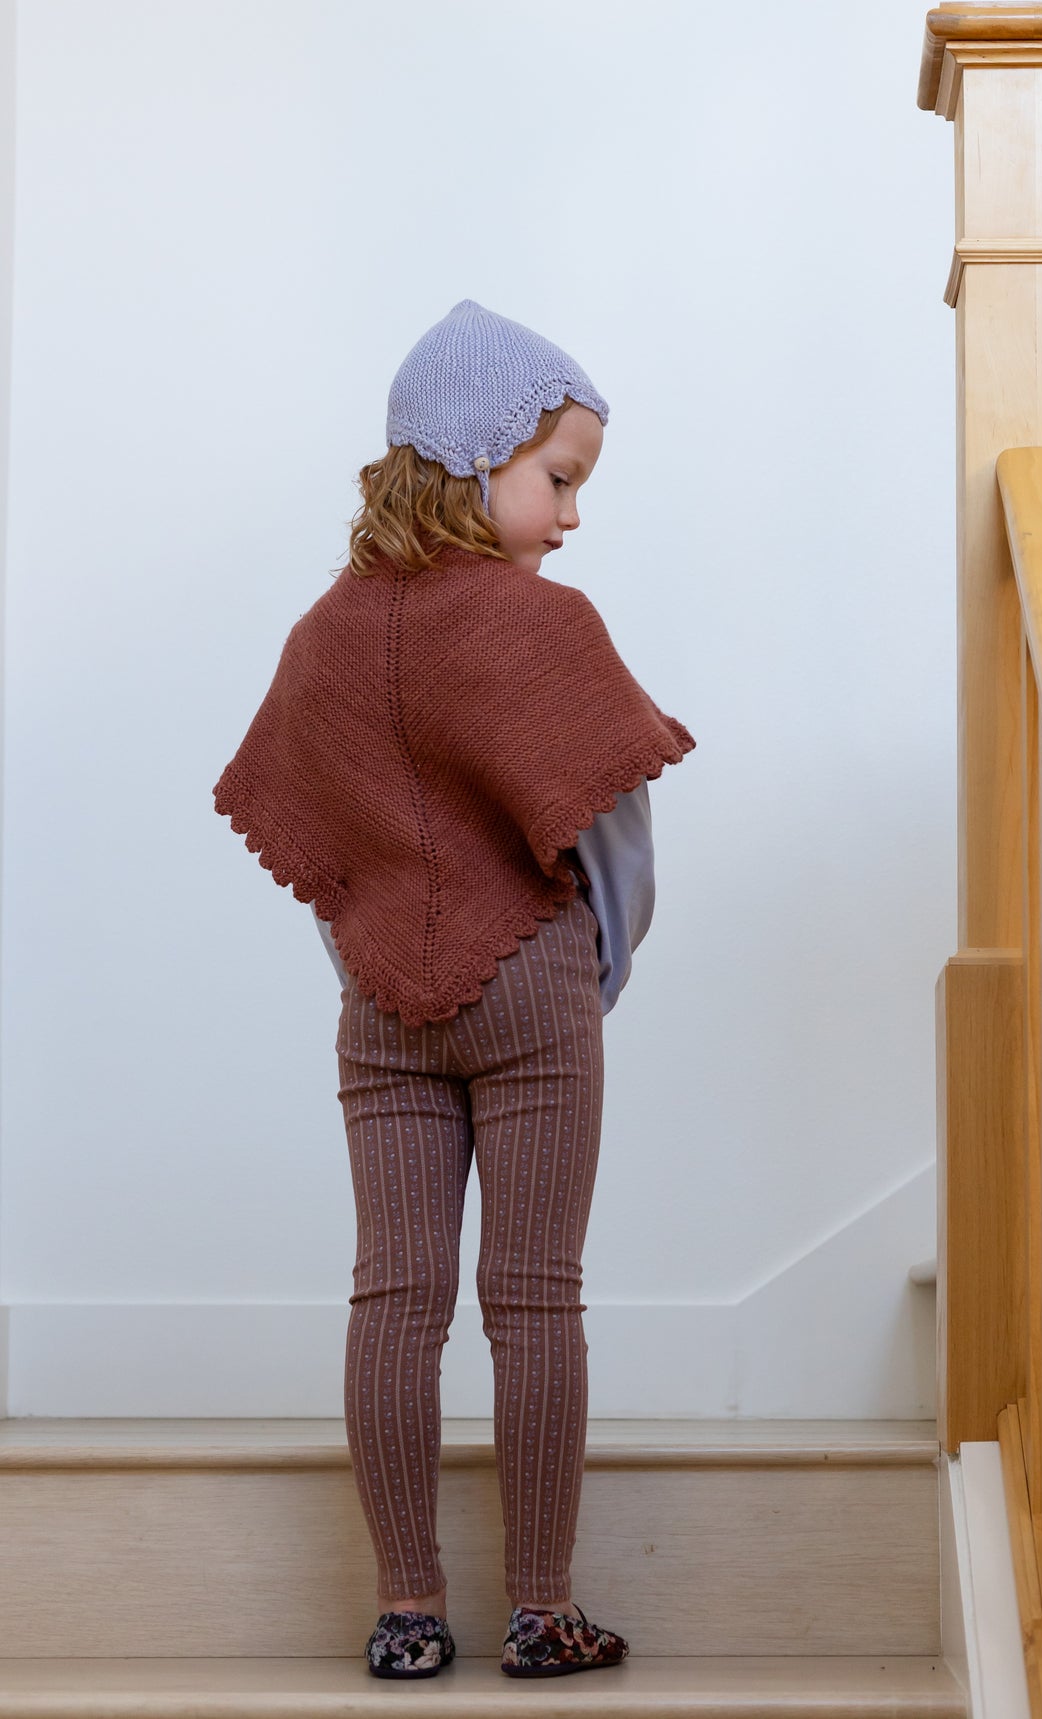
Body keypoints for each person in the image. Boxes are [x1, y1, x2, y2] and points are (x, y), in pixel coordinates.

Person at [213, 299, 695, 1681]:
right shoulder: (541, 628)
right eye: (560, 479)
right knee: (533, 1297)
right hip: (537, 988)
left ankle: (407, 1610)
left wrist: (377, 955)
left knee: (394, 1296)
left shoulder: (326, 635)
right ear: (475, 456)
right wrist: (593, 970)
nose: (571, 517)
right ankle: (540, 1610)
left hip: (378, 1008)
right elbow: (613, 833)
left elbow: (334, 863)